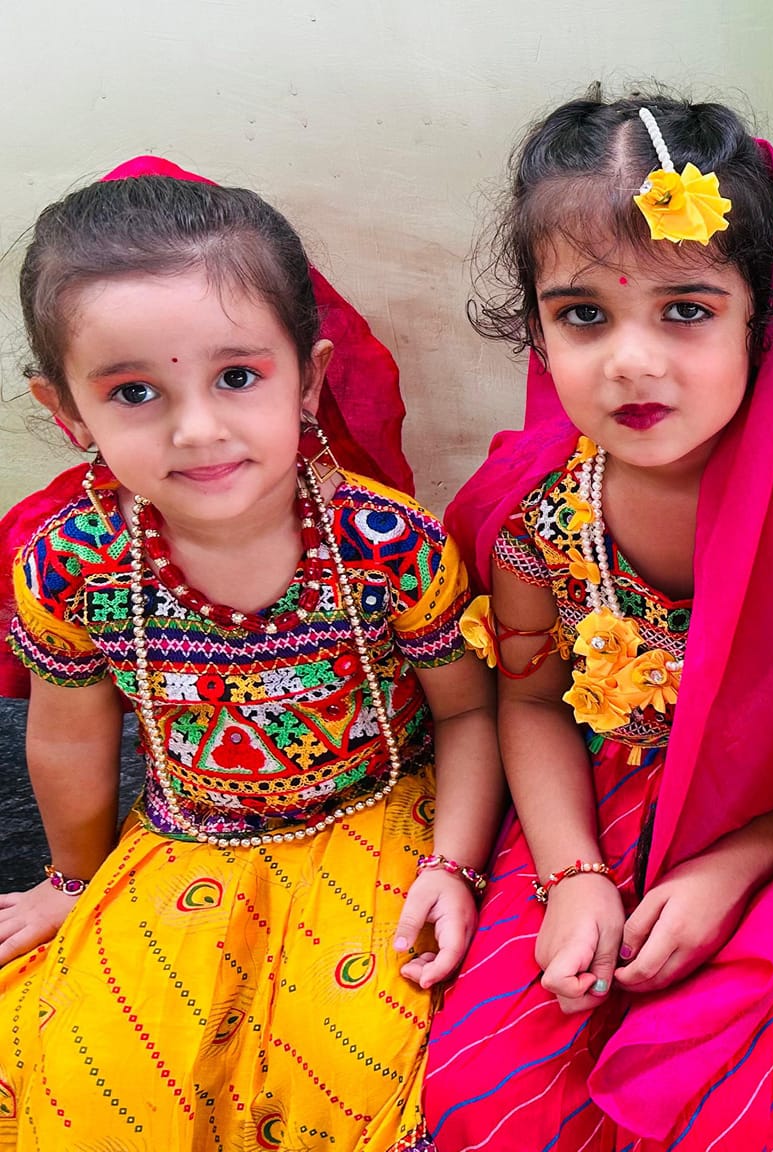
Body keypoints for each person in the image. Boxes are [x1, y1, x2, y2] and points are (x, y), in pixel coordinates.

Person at [421, 88, 773, 1150]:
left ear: (759, 317)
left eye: (685, 309)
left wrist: (735, 866)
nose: (632, 361)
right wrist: (571, 877)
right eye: (583, 314)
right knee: (481, 1105)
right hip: (589, 818)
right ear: (534, 324)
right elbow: (532, 702)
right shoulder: (535, 517)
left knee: (716, 1111)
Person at [0, 161, 496, 1151]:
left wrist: (454, 863)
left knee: (368, 1068)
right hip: (186, 837)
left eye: (237, 376)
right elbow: (68, 737)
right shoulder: (72, 568)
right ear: (66, 412)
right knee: (92, 1073)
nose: (198, 429)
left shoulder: (385, 544)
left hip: (378, 824)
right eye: (134, 391)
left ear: (306, 378)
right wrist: (71, 881)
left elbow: (470, 713)